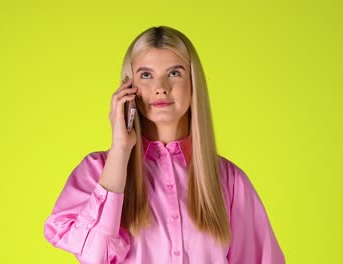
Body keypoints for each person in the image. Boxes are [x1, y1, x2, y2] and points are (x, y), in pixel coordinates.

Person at [44, 25, 285, 264]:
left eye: (174, 73)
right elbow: (95, 257)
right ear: (128, 86)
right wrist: (120, 148)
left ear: (193, 83)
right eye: (146, 75)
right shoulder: (97, 171)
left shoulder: (230, 181)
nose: (160, 88)